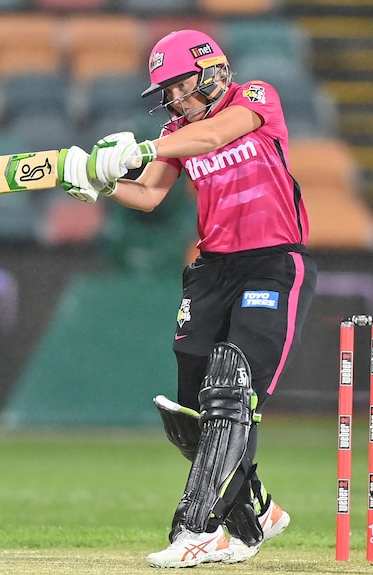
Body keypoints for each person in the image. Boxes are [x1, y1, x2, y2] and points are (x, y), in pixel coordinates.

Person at [57, 29, 318, 568]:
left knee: (232, 384)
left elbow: (213, 137)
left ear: (211, 71)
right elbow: (149, 194)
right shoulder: (178, 130)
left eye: (181, 87)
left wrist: (140, 147)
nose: (175, 101)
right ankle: (255, 513)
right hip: (211, 272)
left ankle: (197, 529)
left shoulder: (255, 99)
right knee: (193, 410)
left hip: (272, 263)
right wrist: (94, 180)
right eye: (168, 93)